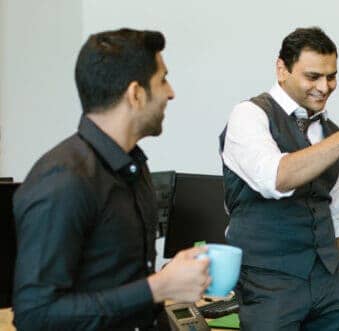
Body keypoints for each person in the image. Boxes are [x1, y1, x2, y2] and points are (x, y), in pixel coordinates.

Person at [12, 28, 211, 330]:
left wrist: (174, 279)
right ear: (136, 94)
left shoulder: (134, 166)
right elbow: (35, 316)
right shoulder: (63, 181)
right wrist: (158, 287)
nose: (170, 92)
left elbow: (122, 283)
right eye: (162, 80)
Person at [219, 26, 339, 330]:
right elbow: (276, 178)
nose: (324, 87)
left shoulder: (332, 133)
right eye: (312, 76)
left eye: (331, 76)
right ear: (282, 69)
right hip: (270, 286)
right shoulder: (249, 115)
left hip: (330, 285)